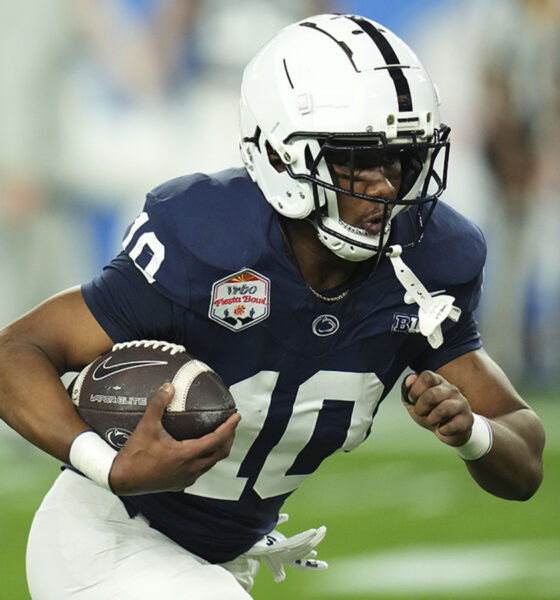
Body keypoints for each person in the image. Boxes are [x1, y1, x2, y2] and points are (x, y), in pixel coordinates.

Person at [0, 13, 546, 599]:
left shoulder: (428, 261)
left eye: (399, 158)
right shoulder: (205, 240)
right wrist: (107, 466)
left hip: (220, 562)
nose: (386, 184)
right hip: (106, 540)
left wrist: (473, 435)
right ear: (283, 155)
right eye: (356, 159)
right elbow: (17, 352)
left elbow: (524, 451)